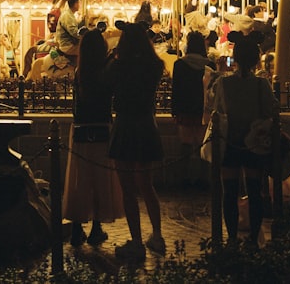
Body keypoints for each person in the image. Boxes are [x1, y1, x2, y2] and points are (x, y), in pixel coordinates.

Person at [106, 21, 166, 261]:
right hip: (146, 123)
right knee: (147, 185)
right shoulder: (154, 65)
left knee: (128, 189)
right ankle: (158, 234)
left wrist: (113, 56)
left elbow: (106, 81)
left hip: (124, 124)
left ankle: (137, 240)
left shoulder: (118, 67)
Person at [212, 29, 276, 248]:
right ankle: (253, 237)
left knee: (229, 191)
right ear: (256, 58)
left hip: (231, 141)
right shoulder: (262, 84)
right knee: (254, 191)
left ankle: (230, 237)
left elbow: (218, 108)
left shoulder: (224, 83)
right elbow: (269, 111)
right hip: (254, 143)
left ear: (235, 57)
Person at [63, 28, 125, 247]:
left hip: (81, 128)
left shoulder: (81, 71)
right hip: (101, 128)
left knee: (80, 179)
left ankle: (77, 227)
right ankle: (97, 226)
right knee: (101, 179)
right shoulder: (106, 70)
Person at [171, 31, 215, 188]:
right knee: (202, 145)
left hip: (185, 108)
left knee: (185, 145)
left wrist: (174, 110)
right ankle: (204, 178)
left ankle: (182, 178)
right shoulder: (210, 65)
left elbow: (176, 89)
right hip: (203, 109)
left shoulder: (180, 64)